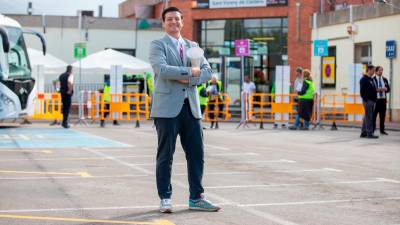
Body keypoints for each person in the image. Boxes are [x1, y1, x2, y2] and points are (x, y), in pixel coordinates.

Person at [149, 6, 220, 213]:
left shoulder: (193, 46)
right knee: (165, 155)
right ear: (163, 23)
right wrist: (191, 72)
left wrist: (184, 76)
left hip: (191, 108)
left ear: (182, 22)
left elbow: (208, 73)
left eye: (177, 19)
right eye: (169, 19)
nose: (173, 22)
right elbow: (162, 70)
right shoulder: (157, 45)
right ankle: (165, 198)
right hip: (166, 110)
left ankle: (196, 198)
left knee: (197, 154)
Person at [360, 65, 379, 139]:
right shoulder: (364, 79)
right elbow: (362, 92)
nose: (374, 72)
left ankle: (363, 132)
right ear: (369, 70)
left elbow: (374, 89)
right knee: (369, 117)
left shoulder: (372, 79)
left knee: (366, 117)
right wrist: (367, 99)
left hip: (372, 100)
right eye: (373, 70)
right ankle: (369, 133)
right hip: (367, 101)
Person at [373, 66, 390, 135]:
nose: (381, 72)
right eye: (379, 70)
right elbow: (371, 89)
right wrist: (377, 90)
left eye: (382, 70)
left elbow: (389, 89)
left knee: (382, 116)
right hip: (376, 100)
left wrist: (386, 89)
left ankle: (382, 130)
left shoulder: (385, 79)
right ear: (376, 71)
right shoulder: (373, 79)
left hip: (383, 100)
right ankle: (372, 129)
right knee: (373, 116)